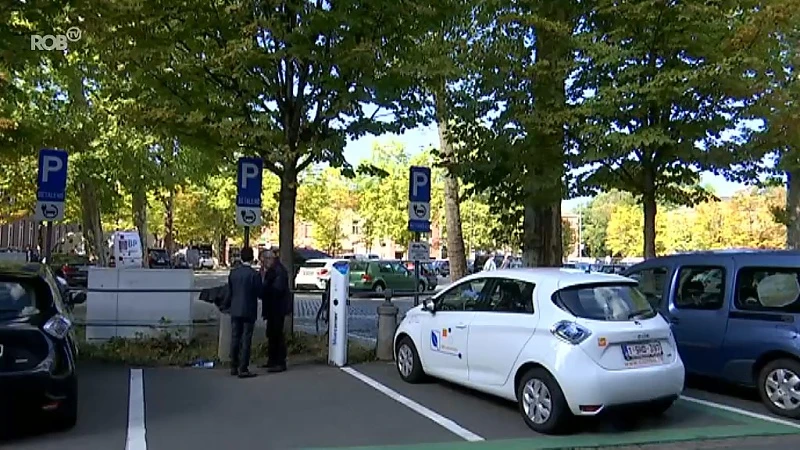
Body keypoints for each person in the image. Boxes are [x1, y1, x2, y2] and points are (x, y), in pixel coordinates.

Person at [226, 247, 262, 378]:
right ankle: (243, 368)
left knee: (235, 337)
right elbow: (259, 293)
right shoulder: (254, 274)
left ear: (241, 257)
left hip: (235, 309)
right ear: (252, 258)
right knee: (246, 339)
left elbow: (230, 293)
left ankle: (233, 366)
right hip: (248, 309)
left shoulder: (233, 273)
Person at [260, 247, 290, 372]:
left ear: (269, 259)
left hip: (277, 307)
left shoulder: (278, 271)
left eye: (263, 261)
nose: (262, 263)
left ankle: (279, 362)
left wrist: (264, 286)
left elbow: (277, 290)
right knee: (272, 334)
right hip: (273, 307)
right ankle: (272, 360)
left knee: (277, 334)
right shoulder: (274, 270)